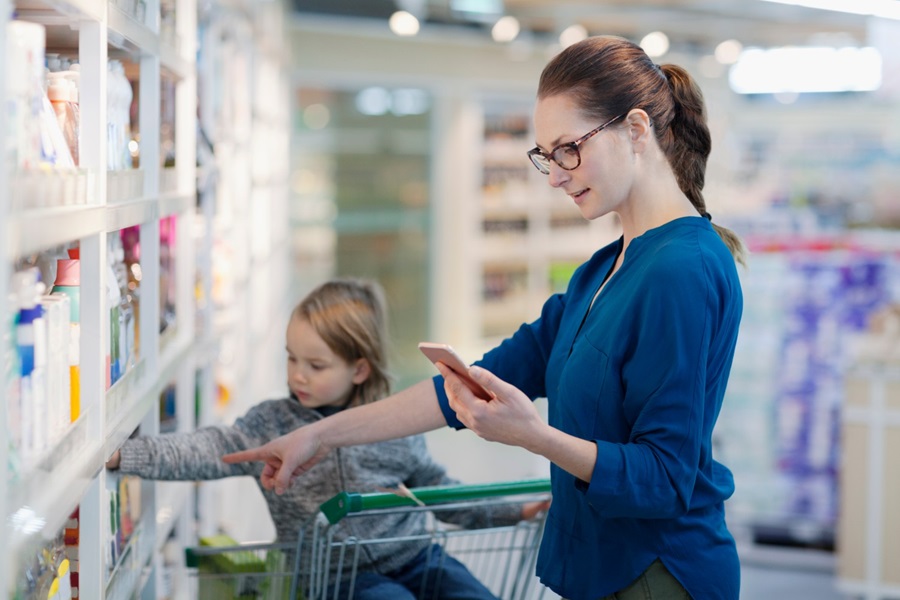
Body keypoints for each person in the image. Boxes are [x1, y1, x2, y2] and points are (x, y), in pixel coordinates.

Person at [225, 35, 746, 600]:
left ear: (637, 129)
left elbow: (665, 479)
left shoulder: (683, 270)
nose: (555, 174)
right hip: (607, 566)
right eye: (546, 155)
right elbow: (465, 386)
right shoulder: (604, 269)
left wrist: (534, 437)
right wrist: (318, 436)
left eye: (569, 148)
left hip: (658, 573)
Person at [107, 278, 546, 600]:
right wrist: (127, 454)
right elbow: (208, 448)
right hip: (336, 579)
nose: (298, 373)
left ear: (359, 369)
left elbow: (436, 490)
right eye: (292, 358)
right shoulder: (272, 423)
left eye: (316, 365)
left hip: (416, 556)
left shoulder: (391, 424)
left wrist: (512, 510)